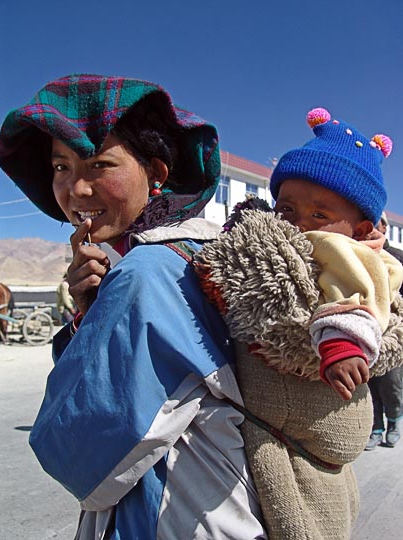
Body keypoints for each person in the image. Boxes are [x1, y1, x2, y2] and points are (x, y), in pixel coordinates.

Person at [0, 74, 267, 540]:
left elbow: (80, 446)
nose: (75, 189)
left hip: (181, 511)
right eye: (61, 167)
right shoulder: (179, 258)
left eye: (99, 164)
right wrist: (91, 312)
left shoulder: (148, 270)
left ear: (156, 175)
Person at [195, 108, 403, 539]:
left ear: (360, 228)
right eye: (286, 208)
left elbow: (355, 300)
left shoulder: (344, 252)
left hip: (317, 396)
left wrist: (341, 346)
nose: (299, 223)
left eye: (319, 215)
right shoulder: (286, 242)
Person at [365, 212, 403, 449]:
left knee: (391, 382)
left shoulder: (397, 258)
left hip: (393, 330)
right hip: (367, 328)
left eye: (376, 224)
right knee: (369, 383)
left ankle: (395, 420)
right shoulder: (358, 253)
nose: (372, 228)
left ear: (385, 228)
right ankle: (375, 427)